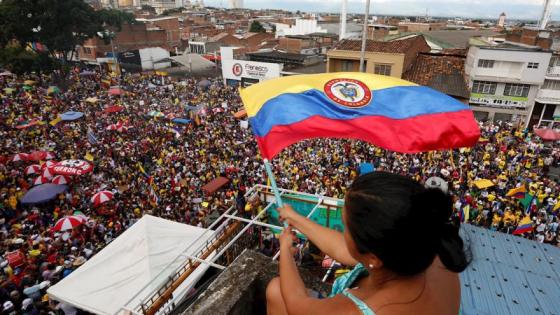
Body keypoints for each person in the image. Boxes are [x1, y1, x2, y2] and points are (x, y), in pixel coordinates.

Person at [267, 172, 469, 315]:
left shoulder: (358, 310)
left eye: (346, 228)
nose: (343, 233)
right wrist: (295, 218)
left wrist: (285, 250)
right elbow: (342, 248)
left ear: (373, 257)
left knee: (276, 289)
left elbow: (297, 306)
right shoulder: (432, 249)